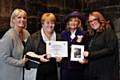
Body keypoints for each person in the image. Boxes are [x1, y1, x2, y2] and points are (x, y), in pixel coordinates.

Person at [24, 12, 61, 80]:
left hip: (54, 73)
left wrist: (61, 58)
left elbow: (64, 53)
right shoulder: (33, 37)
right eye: (47, 23)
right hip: (38, 72)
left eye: (52, 23)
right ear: (42, 24)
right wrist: (39, 57)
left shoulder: (59, 37)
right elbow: (27, 53)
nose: (50, 25)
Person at [83, 11, 119, 80]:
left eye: (94, 20)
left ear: (100, 19)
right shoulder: (95, 33)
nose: (92, 23)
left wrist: (90, 54)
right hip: (97, 73)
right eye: (90, 21)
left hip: (107, 74)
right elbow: (95, 50)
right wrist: (88, 59)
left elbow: (110, 49)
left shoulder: (108, 31)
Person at [0, 8, 30, 80]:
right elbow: (4, 57)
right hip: (10, 73)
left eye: (24, 18)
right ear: (13, 20)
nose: (22, 20)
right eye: (19, 17)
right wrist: (20, 63)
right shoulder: (9, 36)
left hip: (23, 72)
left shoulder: (26, 33)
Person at [60, 11, 88, 80]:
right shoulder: (64, 33)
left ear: (78, 23)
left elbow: (86, 49)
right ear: (68, 22)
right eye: (71, 20)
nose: (73, 23)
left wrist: (85, 59)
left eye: (75, 21)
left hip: (78, 67)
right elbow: (61, 48)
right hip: (65, 67)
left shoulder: (83, 34)